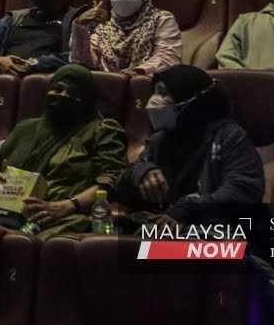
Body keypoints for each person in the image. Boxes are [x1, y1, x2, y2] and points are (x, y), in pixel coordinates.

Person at [0, 65, 127, 237]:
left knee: (24, 242)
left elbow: (114, 179)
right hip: (7, 216)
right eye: (58, 89)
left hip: (65, 220)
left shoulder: (100, 130)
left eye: (74, 93)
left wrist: (69, 205)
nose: (63, 96)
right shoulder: (25, 129)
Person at [111, 65, 265, 226]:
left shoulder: (229, 136)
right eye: (154, 93)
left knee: (155, 249)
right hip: (169, 231)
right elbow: (120, 189)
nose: (153, 101)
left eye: (163, 93)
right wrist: (139, 172)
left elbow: (243, 190)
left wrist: (187, 209)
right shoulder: (159, 141)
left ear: (191, 100)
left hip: (222, 232)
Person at [70, 0, 182, 75]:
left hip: (145, 86)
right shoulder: (104, 29)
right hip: (106, 89)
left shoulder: (160, 19)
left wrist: (138, 72)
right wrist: (80, 25)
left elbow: (168, 57)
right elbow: (82, 62)